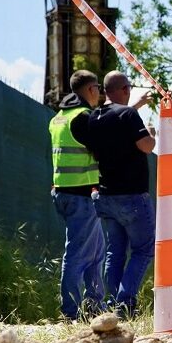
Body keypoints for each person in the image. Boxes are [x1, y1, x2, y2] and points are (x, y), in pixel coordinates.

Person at [71, 70, 157, 318]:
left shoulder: (94, 117)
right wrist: (151, 133)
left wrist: (137, 106)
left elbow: (116, 129)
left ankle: (114, 305)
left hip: (105, 196)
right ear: (125, 90)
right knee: (143, 250)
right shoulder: (128, 114)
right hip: (132, 196)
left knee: (115, 252)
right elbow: (146, 146)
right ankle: (125, 301)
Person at [49, 70, 105, 320]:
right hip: (81, 195)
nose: (100, 94)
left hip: (63, 193)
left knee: (95, 252)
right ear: (91, 90)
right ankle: (70, 312)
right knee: (77, 255)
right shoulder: (82, 118)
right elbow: (102, 149)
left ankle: (94, 308)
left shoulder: (58, 118)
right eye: (98, 88)